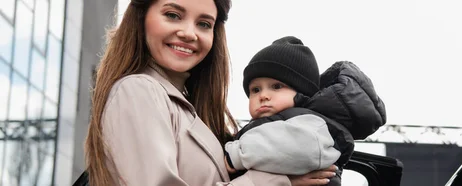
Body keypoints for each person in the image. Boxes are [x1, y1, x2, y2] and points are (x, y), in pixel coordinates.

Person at [83, 0, 335, 185]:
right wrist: (276, 181)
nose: (189, 33)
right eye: (172, 14)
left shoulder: (186, 106)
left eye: (204, 24)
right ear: (141, 17)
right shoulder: (138, 90)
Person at [223, 36, 387, 186]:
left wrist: (237, 155)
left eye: (277, 86)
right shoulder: (275, 123)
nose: (263, 95)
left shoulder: (311, 123)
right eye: (255, 90)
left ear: (302, 93)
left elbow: (292, 148)